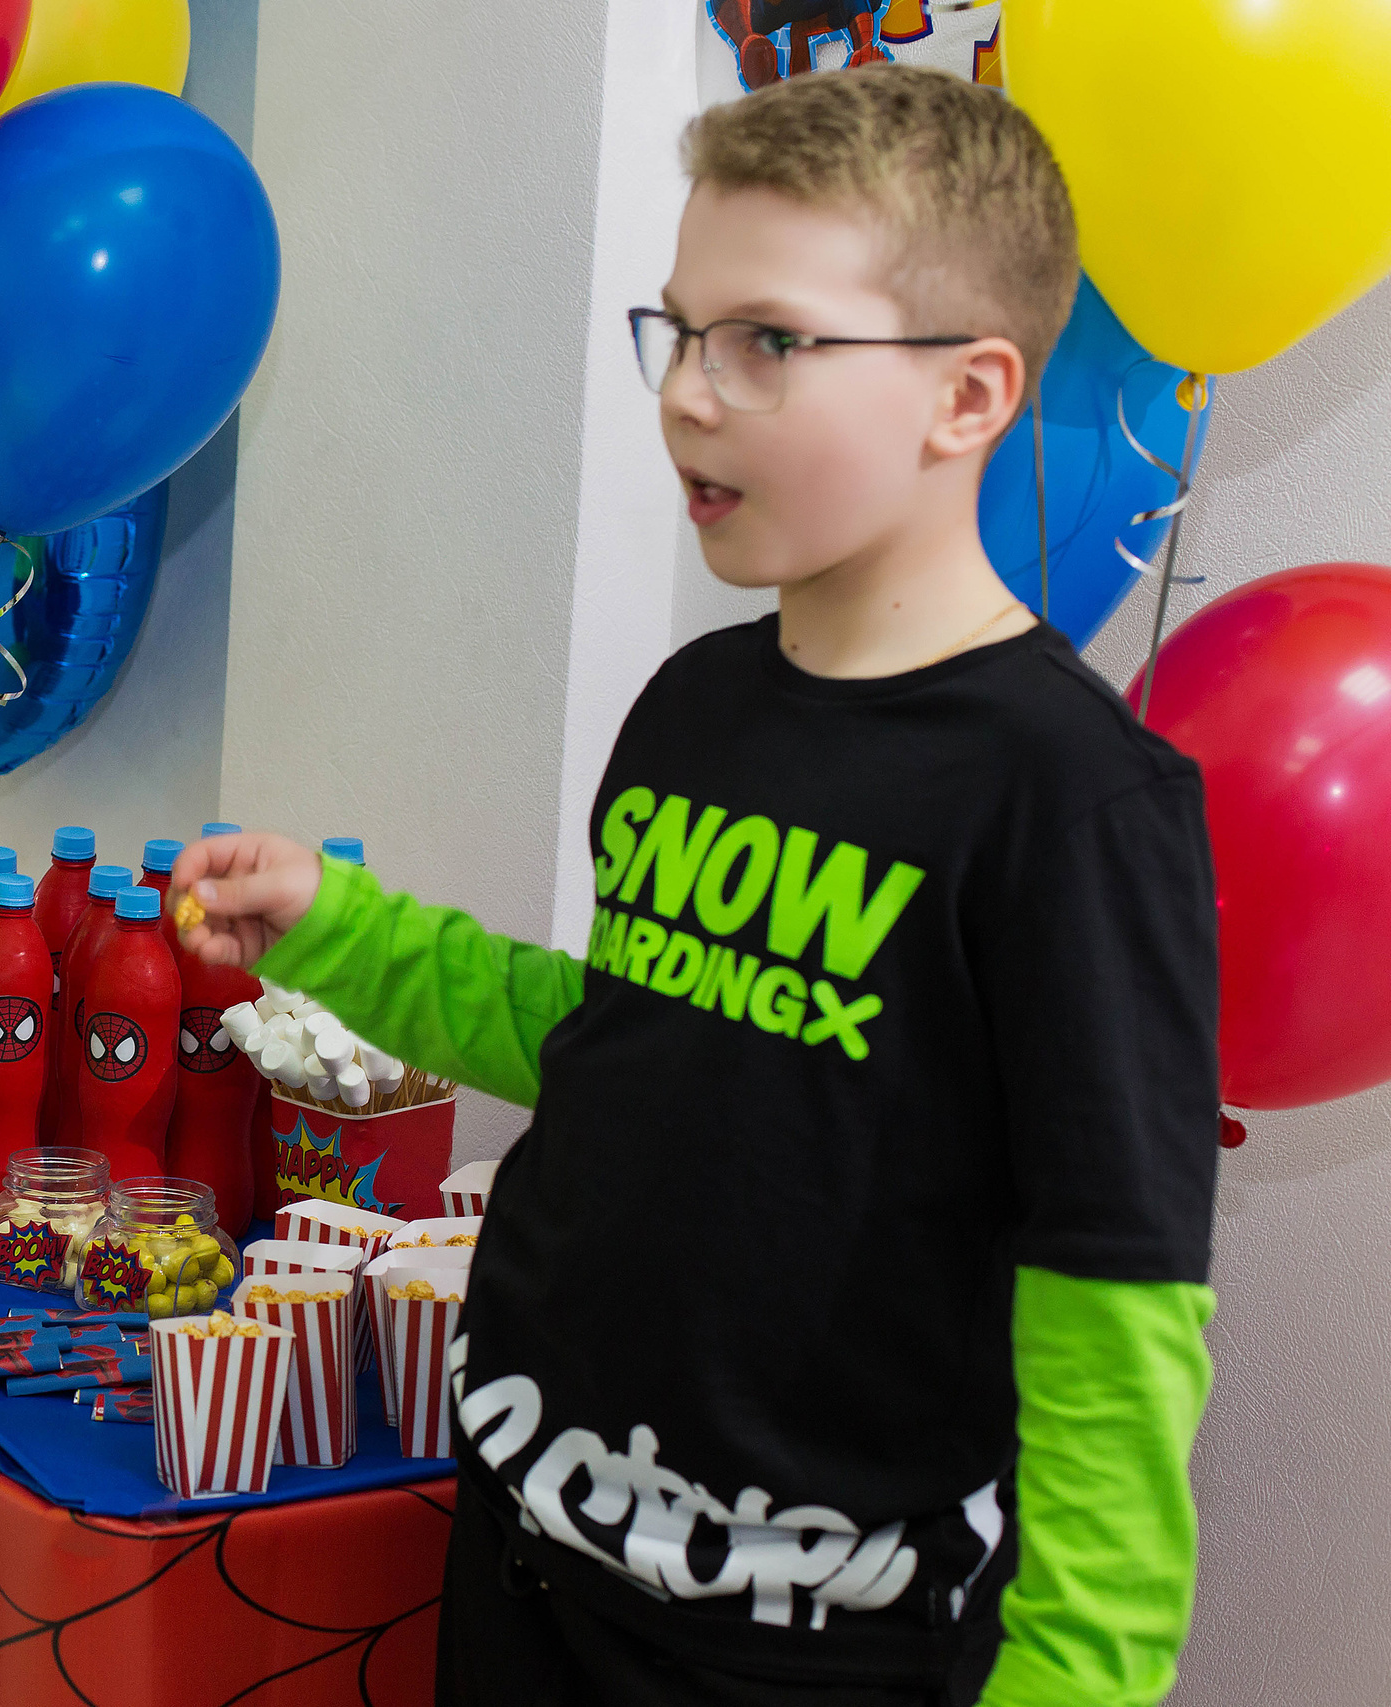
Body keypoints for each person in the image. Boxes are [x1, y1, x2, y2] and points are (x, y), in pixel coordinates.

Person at [174, 64, 1218, 1707]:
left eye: (769, 343)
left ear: (970, 396)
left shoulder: (1076, 804)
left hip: (809, 1655)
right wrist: (344, 934)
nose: (690, 395)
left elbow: (1116, 1322)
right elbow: (631, 1049)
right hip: (534, 1570)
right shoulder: (696, 707)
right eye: (679, 331)